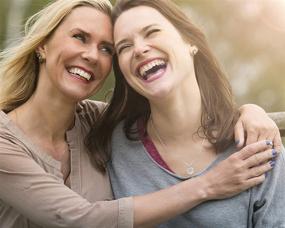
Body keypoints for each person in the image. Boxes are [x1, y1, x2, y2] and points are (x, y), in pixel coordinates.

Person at [0, 0, 281, 227]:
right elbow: (77, 217)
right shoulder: (7, 141)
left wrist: (251, 111)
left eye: (107, 48)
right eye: (79, 37)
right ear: (42, 45)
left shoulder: (97, 124)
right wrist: (208, 184)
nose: (91, 55)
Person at [86, 0, 285, 227]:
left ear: (189, 41)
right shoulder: (110, 146)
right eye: (124, 47)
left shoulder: (256, 143)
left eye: (152, 32)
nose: (139, 49)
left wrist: (252, 110)